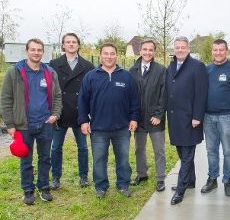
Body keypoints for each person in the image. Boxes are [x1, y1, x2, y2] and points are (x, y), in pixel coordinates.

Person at [1, 38, 62, 205]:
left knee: (45, 158)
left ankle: (44, 188)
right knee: (25, 160)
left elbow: (57, 96)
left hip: (45, 124)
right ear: (27, 51)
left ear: (43, 52)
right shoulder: (15, 72)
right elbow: (6, 99)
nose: (36, 53)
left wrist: (55, 114)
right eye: (33, 50)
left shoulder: (50, 72)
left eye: (39, 50)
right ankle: (28, 190)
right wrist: (10, 125)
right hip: (23, 126)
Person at [78, 43, 141, 198]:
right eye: (106, 53)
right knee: (99, 159)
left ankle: (123, 184)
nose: (109, 56)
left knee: (123, 159)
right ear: (101, 55)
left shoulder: (126, 76)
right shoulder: (91, 76)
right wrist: (84, 121)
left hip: (122, 128)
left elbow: (135, 100)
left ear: (116, 55)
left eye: (112, 53)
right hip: (99, 128)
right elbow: (82, 101)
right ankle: (101, 187)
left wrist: (134, 118)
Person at [49, 33, 94, 190]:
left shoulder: (88, 66)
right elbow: (49, 89)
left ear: (79, 45)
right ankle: (55, 178)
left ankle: (83, 176)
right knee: (56, 147)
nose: (71, 44)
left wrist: (88, 115)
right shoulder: (53, 64)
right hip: (59, 112)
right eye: (68, 42)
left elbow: (91, 92)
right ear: (63, 45)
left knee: (82, 147)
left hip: (79, 113)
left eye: (74, 42)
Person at [166, 36, 208, 205]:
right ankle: (190, 181)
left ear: (189, 49)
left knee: (187, 156)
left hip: (191, 119)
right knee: (181, 152)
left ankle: (181, 189)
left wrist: (197, 116)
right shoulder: (170, 66)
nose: (180, 50)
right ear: (174, 49)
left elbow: (201, 93)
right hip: (175, 118)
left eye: (183, 47)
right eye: (177, 47)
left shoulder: (197, 66)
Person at [201, 39, 230, 197]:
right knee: (211, 151)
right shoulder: (207, 69)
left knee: (228, 151)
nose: (218, 53)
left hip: (227, 117)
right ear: (212, 51)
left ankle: (227, 181)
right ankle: (212, 179)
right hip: (208, 117)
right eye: (215, 50)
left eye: (221, 50)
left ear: (227, 51)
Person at [129, 39, 167, 192]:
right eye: (145, 49)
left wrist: (158, 114)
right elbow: (130, 95)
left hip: (155, 119)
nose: (147, 52)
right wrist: (133, 116)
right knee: (139, 149)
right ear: (140, 50)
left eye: (151, 50)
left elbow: (164, 95)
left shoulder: (161, 70)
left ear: (154, 52)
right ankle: (141, 174)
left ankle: (160, 178)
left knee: (159, 150)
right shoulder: (133, 70)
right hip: (139, 118)